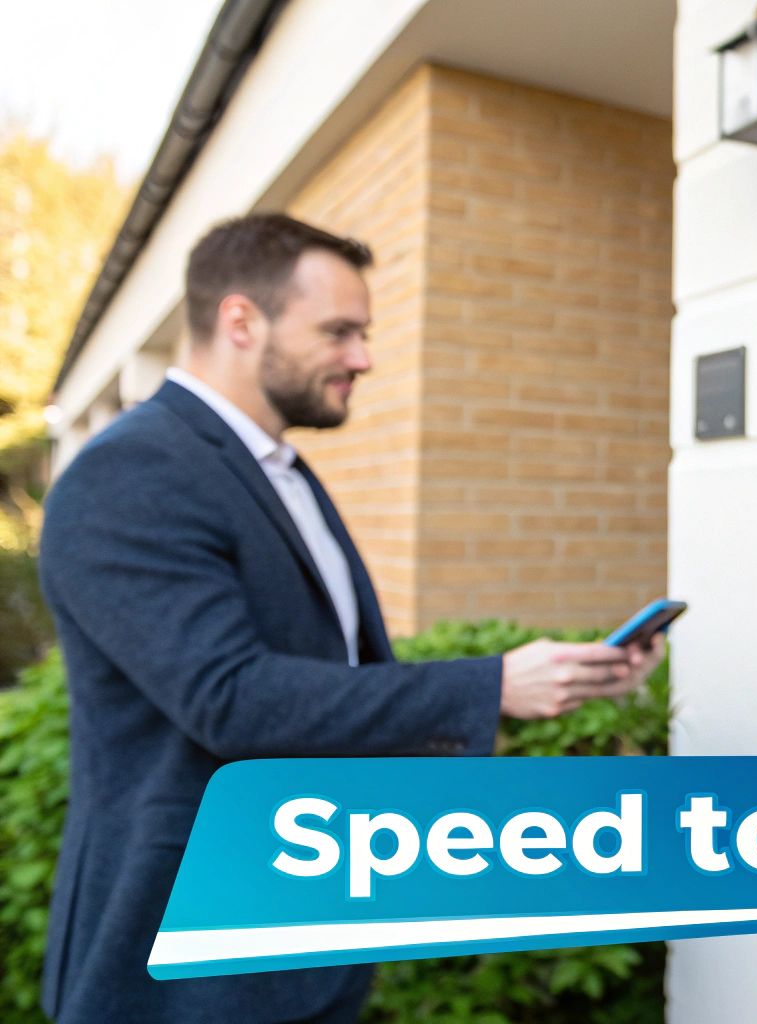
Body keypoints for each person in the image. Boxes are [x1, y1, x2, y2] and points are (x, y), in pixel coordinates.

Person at [37, 213, 660, 1023]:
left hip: (305, 929)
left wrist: (553, 682)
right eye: (339, 332)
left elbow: (342, 686)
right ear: (240, 321)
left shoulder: (283, 471)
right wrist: (492, 684)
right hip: (187, 959)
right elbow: (230, 697)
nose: (362, 358)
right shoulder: (130, 471)